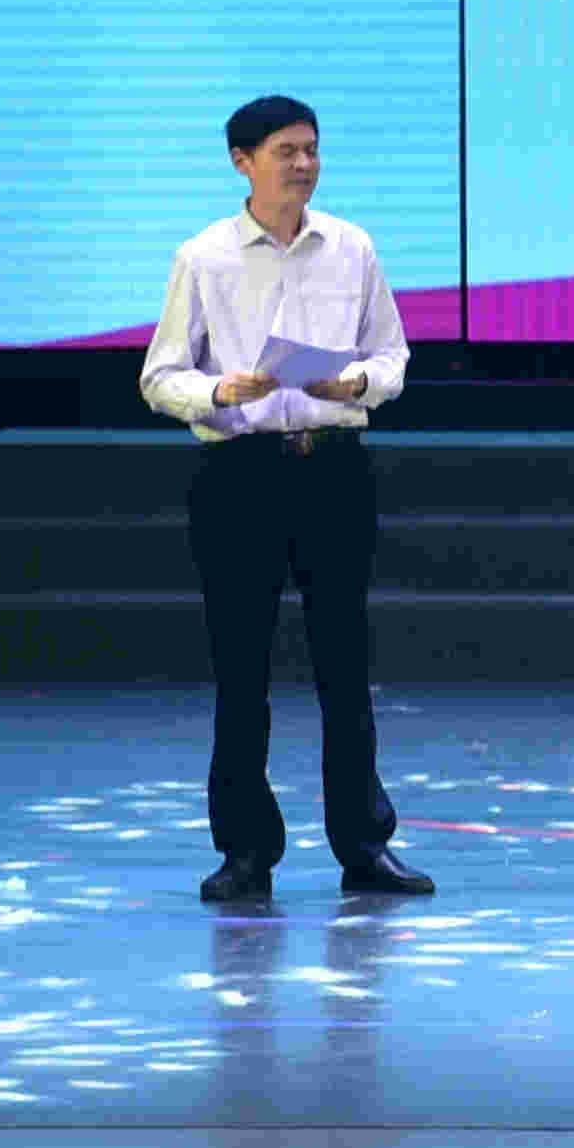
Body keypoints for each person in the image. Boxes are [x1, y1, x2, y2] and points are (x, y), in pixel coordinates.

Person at [137, 93, 426, 909]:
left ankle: (364, 846)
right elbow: (159, 375)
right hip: (242, 471)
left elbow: (392, 353)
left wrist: (356, 382)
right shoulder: (204, 257)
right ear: (242, 162)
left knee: (345, 665)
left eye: (311, 149)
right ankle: (244, 852)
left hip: (332, 466)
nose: (304, 164)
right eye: (286, 151)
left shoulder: (351, 246)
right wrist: (217, 390)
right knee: (241, 670)